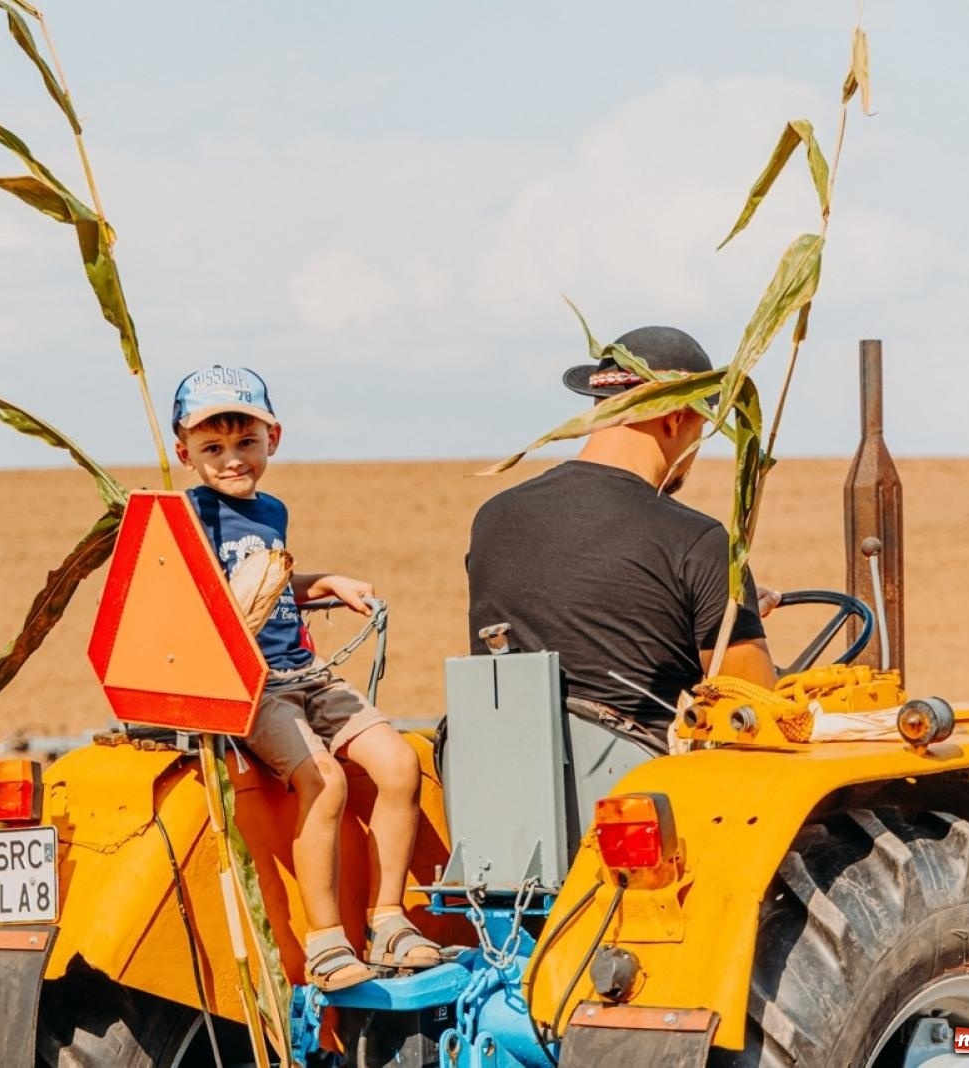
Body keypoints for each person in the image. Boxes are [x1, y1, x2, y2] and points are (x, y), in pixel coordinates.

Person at [172, 365, 441, 991]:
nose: (232, 459)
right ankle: (325, 943)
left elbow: (268, 584)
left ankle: (388, 920)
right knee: (321, 780)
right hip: (256, 685)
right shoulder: (186, 518)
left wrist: (320, 583)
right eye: (212, 448)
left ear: (274, 440)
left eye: (246, 443)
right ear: (184, 453)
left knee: (400, 765)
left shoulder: (272, 511)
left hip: (307, 673)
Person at [465, 326, 777, 743]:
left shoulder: (493, 517)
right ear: (676, 418)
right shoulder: (696, 540)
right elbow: (753, 704)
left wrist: (731, 610)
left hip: (502, 759)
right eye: (700, 428)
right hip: (648, 782)